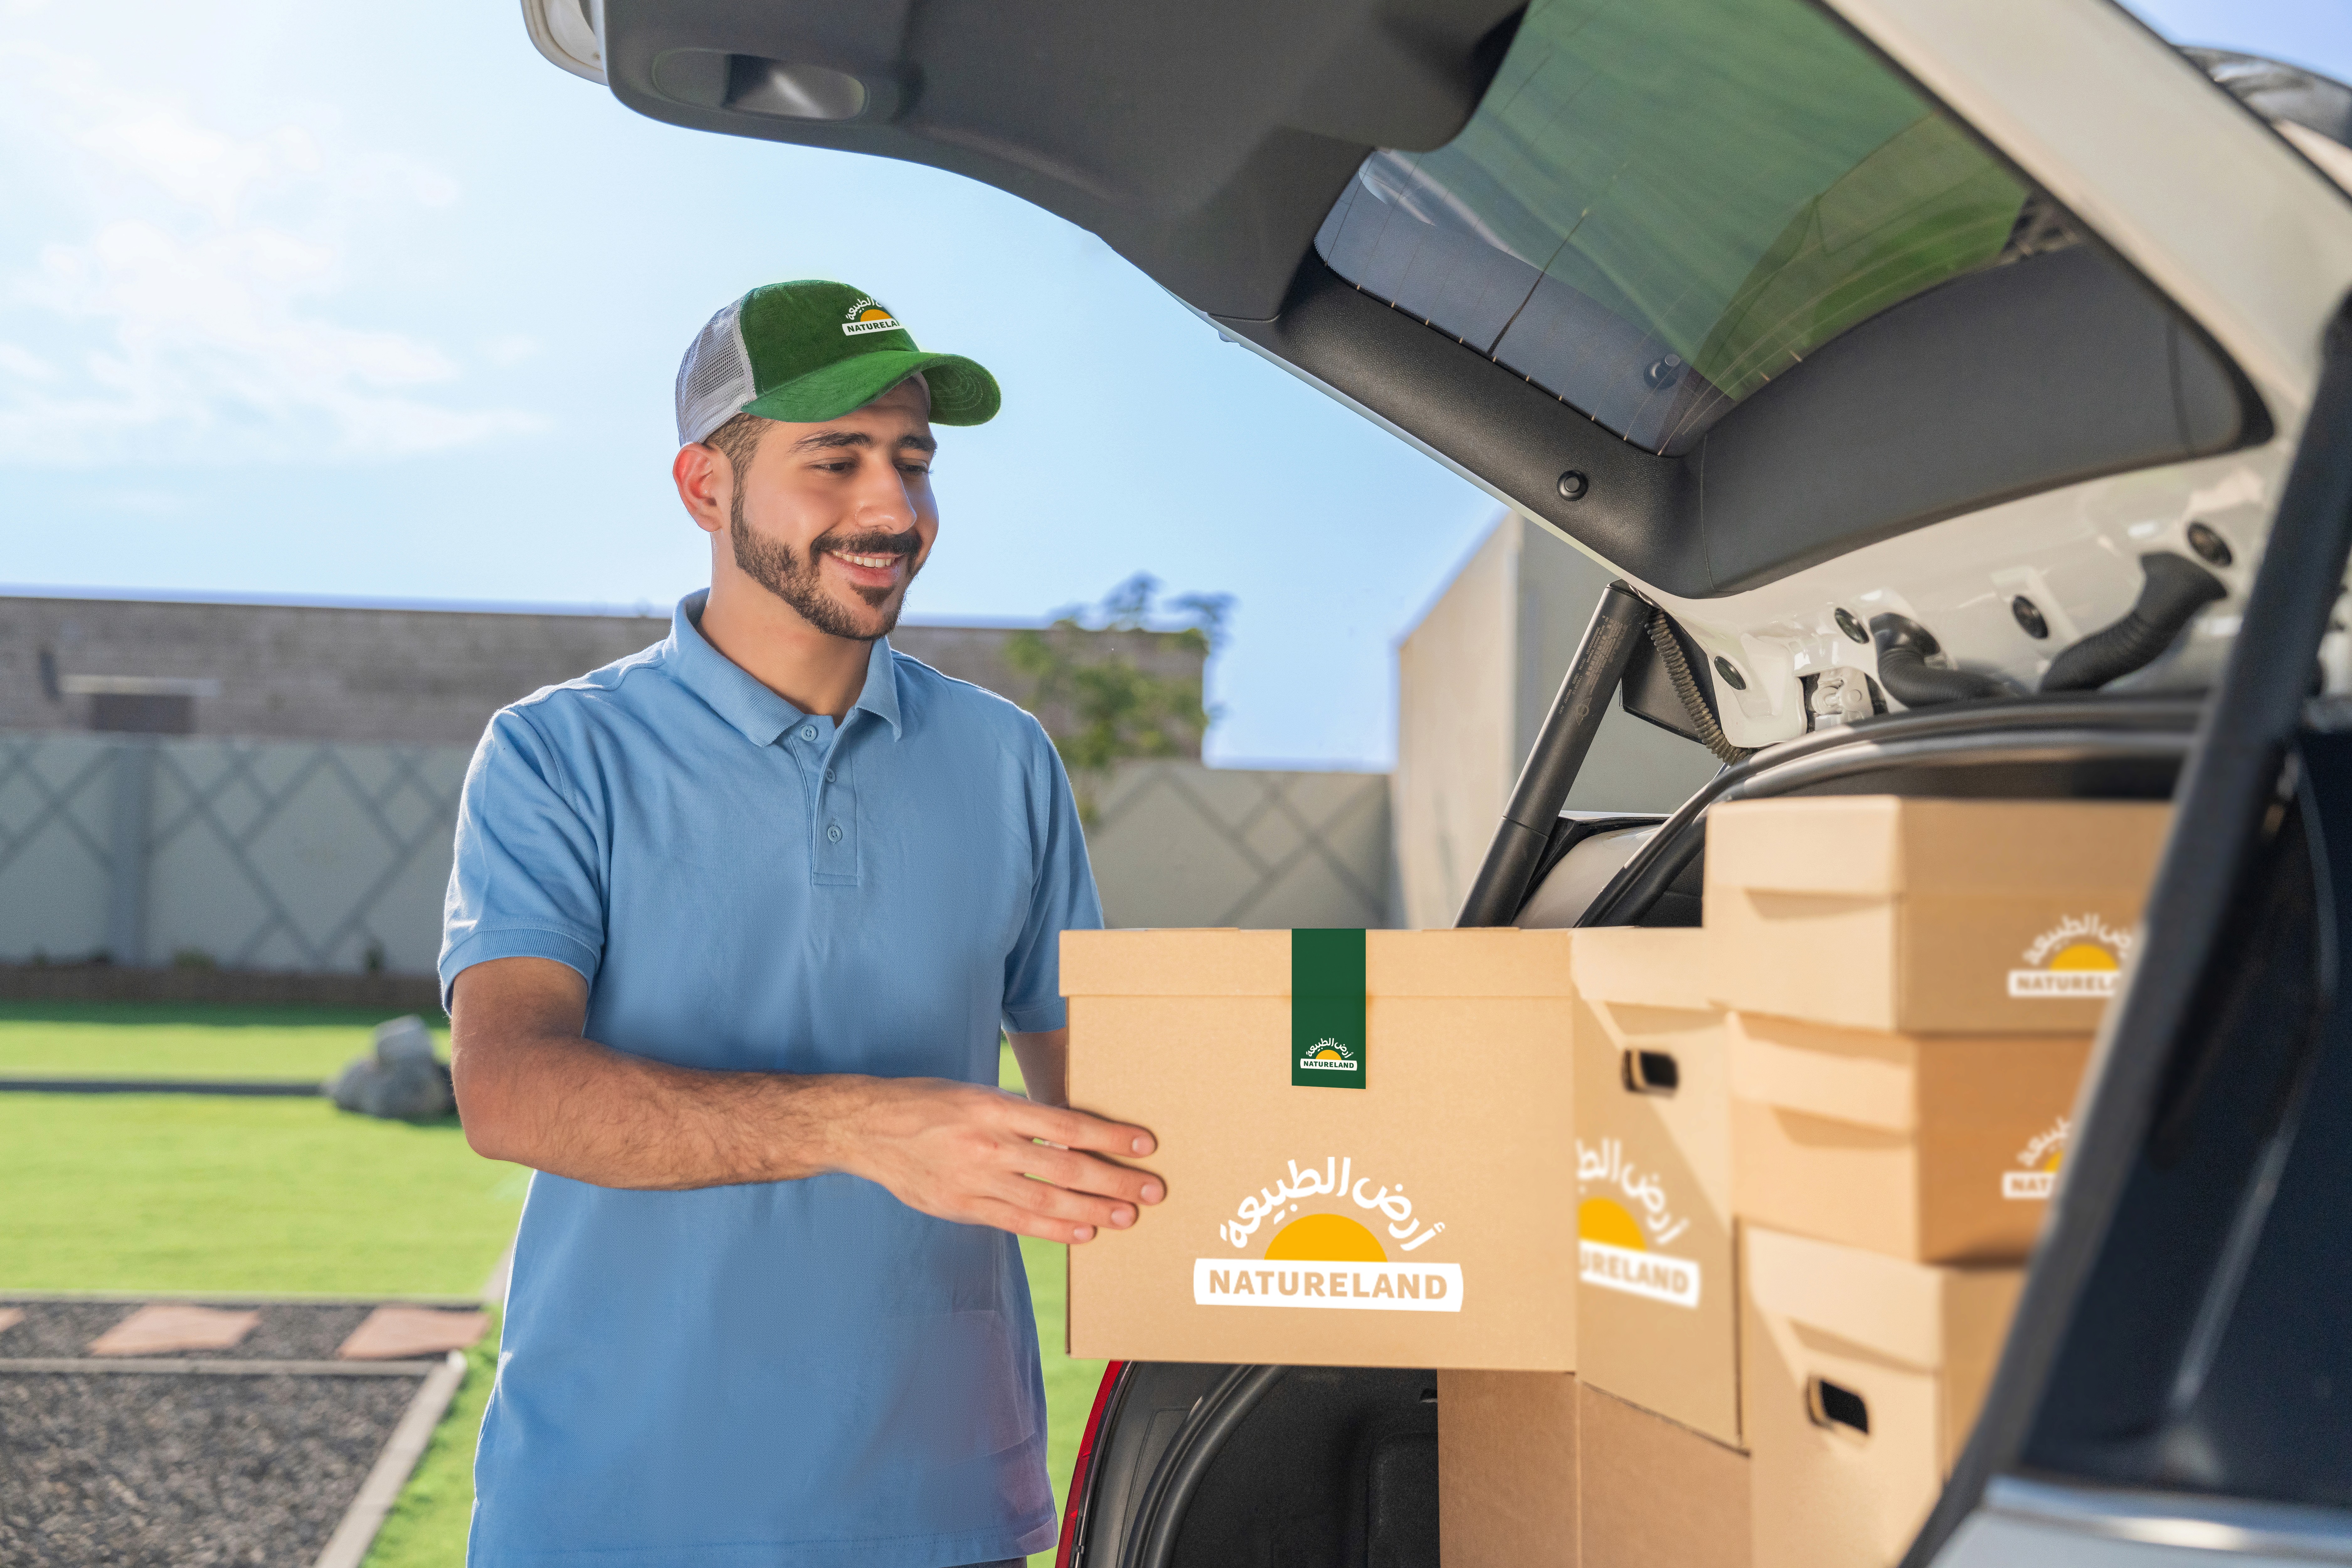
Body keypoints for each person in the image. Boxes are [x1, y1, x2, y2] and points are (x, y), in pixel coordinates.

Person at [440, 279, 1163, 1568]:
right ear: (705, 487)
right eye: (835, 460)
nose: (892, 508)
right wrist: (862, 1123)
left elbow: (1117, 1112)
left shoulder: (1005, 759)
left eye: (913, 461)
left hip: (946, 1515)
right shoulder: (558, 754)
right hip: (616, 1514)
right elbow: (512, 1091)